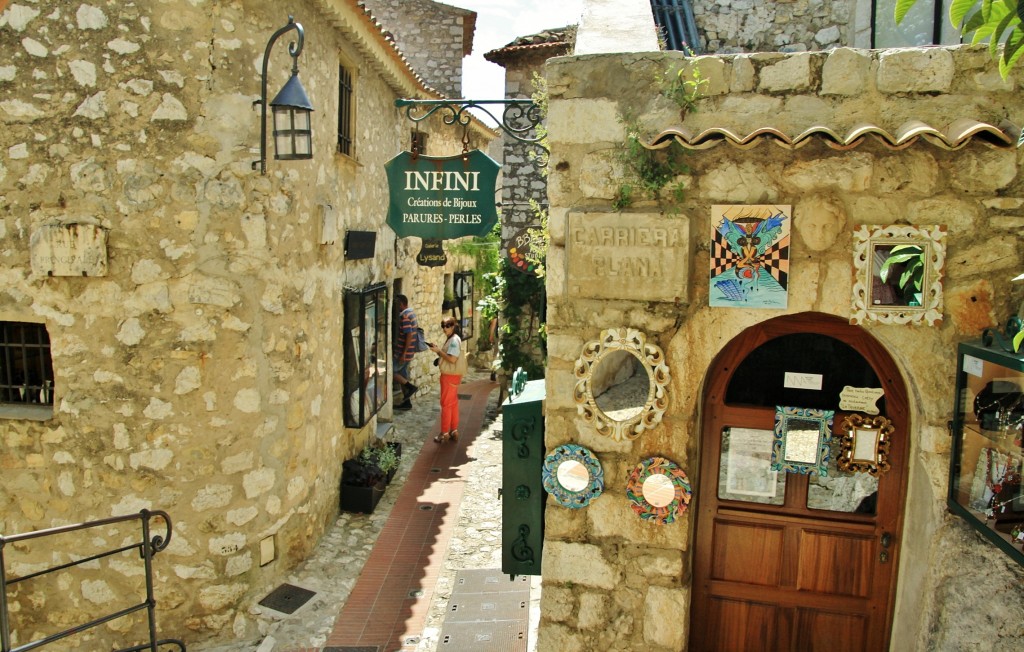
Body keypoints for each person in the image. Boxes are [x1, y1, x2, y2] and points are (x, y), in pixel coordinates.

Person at [429, 317, 467, 443]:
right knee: (452, 403)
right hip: (453, 376)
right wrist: (439, 350)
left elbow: (452, 359)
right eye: (443, 325)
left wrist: (439, 351)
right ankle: (454, 431)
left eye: (448, 325)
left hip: (449, 376)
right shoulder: (453, 338)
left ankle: (444, 433)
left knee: (446, 404)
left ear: (453, 325)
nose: (445, 328)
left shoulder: (454, 340)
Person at [392, 294, 419, 410]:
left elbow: (409, 335)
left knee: (390, 372)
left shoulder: (405, 316)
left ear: (401, 304)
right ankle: (406, 402)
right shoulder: (411, 314)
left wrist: (403, 353)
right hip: (409, 352)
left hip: (403, 353)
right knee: (403, 375)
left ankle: (411, 387)